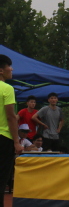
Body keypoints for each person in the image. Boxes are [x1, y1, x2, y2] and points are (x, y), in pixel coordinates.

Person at [1, 54, 23, 204]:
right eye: (9, 66)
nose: (12, 69)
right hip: (3, 138)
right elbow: (10, 117)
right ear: (1, 70)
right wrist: (16, 141)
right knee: (2, 179)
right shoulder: (7, 88)